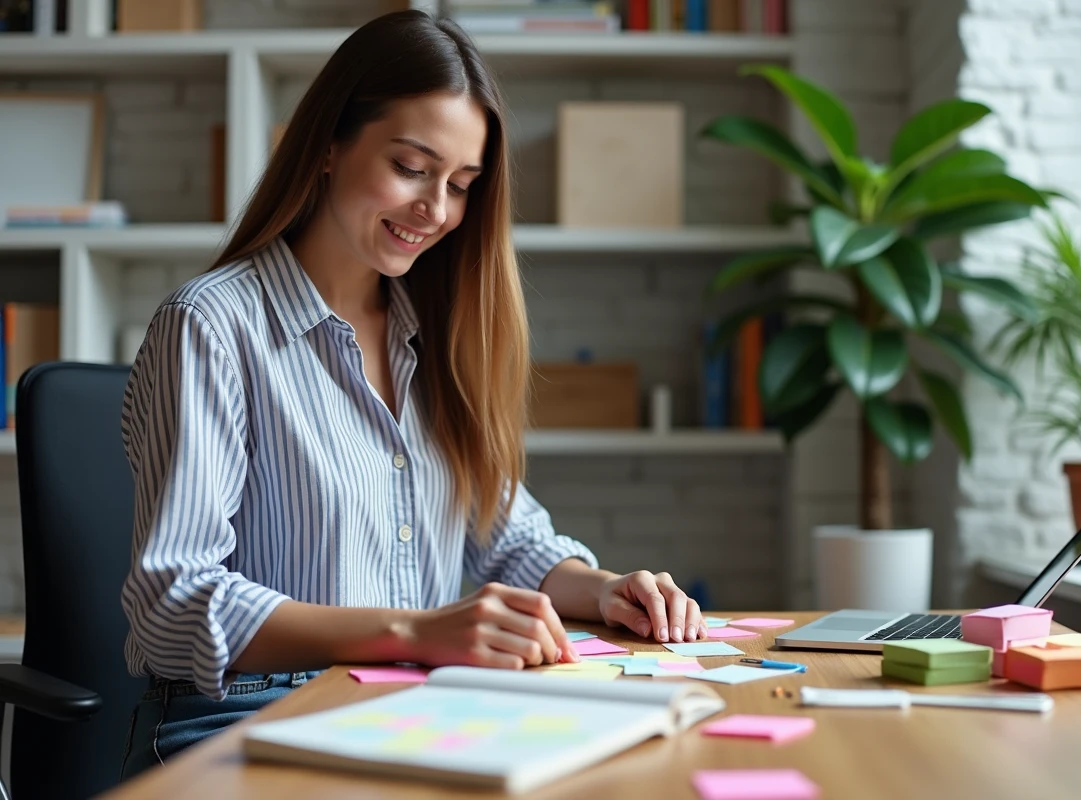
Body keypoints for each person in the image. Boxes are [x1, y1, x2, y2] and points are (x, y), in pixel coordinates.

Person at [118, 10, 708, 780]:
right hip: (245, 715)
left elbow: (511, 542)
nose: (437, 210)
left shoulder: (434, 334)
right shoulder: (211, 326)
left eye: (462, 185)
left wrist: (607, 591)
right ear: (330, 145)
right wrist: (415, 632)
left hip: (412, 710)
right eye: (411, 166)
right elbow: (172, 605)